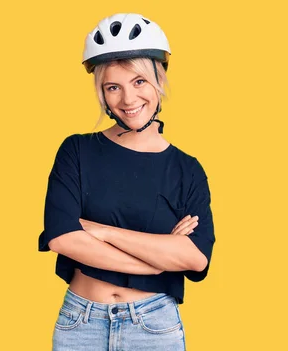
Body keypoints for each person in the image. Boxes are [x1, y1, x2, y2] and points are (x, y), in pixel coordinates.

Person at [37, 13, 215, 351]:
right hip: (81, 324)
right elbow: (63, 238)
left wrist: (103, 232)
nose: (128, 100)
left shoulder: (187, 169)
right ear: (102, 93)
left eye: (138, 82)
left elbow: (195, 258)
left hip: (155, 327)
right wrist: (158, 258)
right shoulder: (77, 150)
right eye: (113, 87)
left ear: (158, 79)